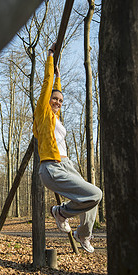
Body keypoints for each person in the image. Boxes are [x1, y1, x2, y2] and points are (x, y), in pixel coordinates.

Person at [33, 43, 102, 253]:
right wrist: (50, 57)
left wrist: (59, 78)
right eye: (55, 99)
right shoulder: (43, 115)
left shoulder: (57, 119)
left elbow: (56, 90)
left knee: (92, 200)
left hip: (67, 165)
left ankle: (83, 234)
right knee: (96, 193)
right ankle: (61, 212)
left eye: (61, 100)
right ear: (47, 101)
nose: (58, 102)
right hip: (52, 168)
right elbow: (47, 85)